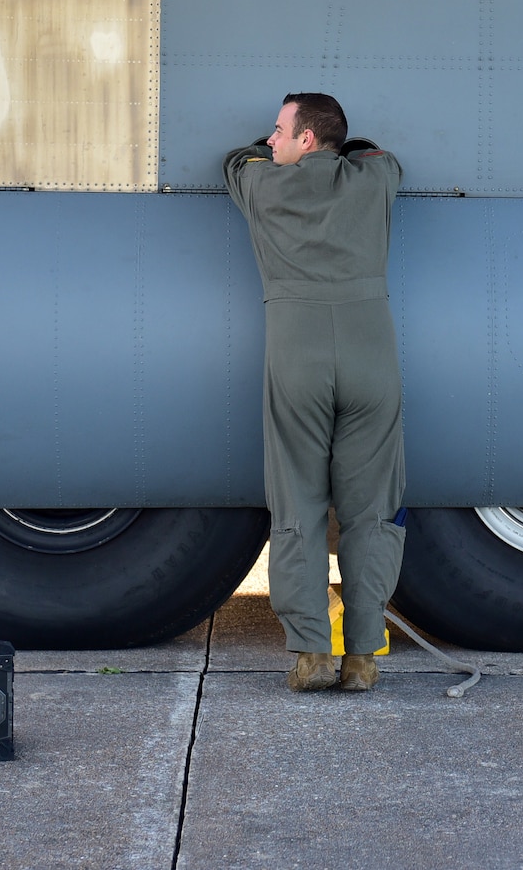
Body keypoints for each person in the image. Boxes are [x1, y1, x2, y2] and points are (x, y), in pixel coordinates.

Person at [224, 93, 405, 693]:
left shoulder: (264, 189)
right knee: (372, 510)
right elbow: (378, 156)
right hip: (370, 358)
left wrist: (266, 154)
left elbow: (236, 161)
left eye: (280, 131)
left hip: (297, 359)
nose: (271, 140)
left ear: (305, 140)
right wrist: (339, 149)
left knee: (296, 504)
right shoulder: (374, 181)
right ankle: (361, 657)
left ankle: (309, 654)